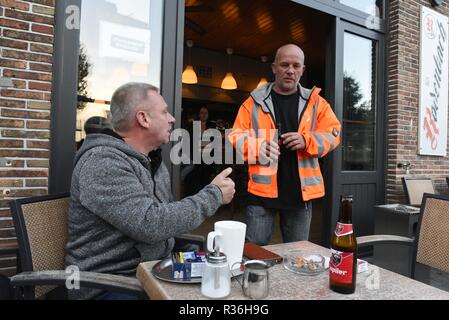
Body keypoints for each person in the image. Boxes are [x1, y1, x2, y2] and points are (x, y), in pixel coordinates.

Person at [65, 83, 235, 299]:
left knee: (228, 285)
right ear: (143, 118)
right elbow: (150, 224)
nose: (173, 118)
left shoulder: (153, 161)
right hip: (109, 284)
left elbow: (164, 218)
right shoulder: (102, 162)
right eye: (165, 112)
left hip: (153, 269)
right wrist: (214, 195)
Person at [228, 44, 341, 245]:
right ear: (274, 68)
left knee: (297, 255)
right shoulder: (253, 102)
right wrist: (257, 145)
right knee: (255, 254)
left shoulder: (317, 103)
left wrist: (307, 140)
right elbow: (235, 135)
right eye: (284, 64)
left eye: (296, 65)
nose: (290, 70)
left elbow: (333, 135)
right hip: (261, 195)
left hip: (300, 194)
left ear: (302, 70)